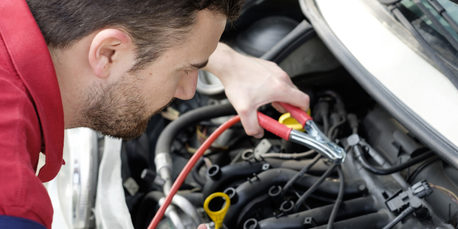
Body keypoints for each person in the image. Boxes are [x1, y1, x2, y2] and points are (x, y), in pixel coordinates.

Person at [0, 0, 309, 228]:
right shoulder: (11, 204)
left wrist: (226, 61)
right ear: (108, 53)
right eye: (185, 70)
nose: (189, 91)